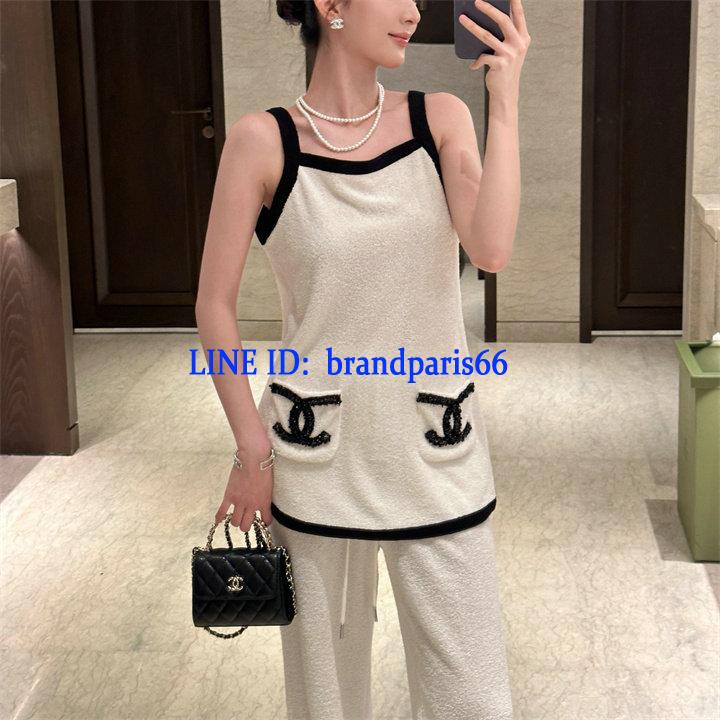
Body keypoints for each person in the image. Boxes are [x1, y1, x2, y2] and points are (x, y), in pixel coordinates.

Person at [195, 0, 530, 717]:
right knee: (327, 702)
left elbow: (492, 247)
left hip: (437, 452)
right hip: (315, 458)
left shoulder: (440, 119)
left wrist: (503, 102)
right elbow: (214, 305)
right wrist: (252, 450)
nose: (414, 10)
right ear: (332, 5)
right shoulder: (262, 141)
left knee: (474, 700)